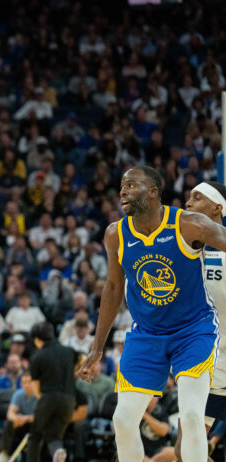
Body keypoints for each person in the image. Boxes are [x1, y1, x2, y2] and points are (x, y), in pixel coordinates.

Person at [78, 167, 226, 462]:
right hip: (146, 334)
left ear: (153, 192)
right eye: (122, 185)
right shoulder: (115, 234)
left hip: (193, 331)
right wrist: (97, 347)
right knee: (122, 420)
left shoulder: (189, 224)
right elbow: (112, 288)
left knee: (193, 416)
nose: (123, 191)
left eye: (131, 185)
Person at [176, 180, 226, 456]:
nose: (188, 203)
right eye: (188, 197)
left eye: (197, 197)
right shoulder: (184, 251)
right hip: (204, 359)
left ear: (217, 208)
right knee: (183, 450)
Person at [27, 322, 79, 462]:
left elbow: (37, 389)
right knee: (54, 436)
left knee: (35, 436)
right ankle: (58, 452)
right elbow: (83, 359)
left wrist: (44, 408)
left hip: (48, 398)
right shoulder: (68, 351)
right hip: (69, 400)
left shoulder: (37, 357)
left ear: (37, 340)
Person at [0, 373, 37, 462]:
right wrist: (16, 419)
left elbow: (42, 416)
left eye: (30, 381)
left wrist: (26, 418)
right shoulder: (18, 394)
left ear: (35, 382)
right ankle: (3, 454)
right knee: (10, 422)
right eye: (24, 382)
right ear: (21, 384)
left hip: (35, 424)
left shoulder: (40, 395)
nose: (27, 385)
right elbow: (10, 413)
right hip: (21, 424)